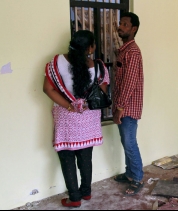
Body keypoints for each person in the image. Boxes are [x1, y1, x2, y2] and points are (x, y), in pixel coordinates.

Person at [43, 30, 110, 207]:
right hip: (89, 119)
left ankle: (74, 198)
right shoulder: (99, 66)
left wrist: (69, 105)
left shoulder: (56, 62)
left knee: (67, 157)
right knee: (85, 157)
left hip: (66, 118)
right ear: (90, 48)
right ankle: (86, 193)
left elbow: (47, 89)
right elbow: (102, 93)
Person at [112, 12, 144, 196]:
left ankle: (138, 177)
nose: (120, 27)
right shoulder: (125, 50)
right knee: (126, 142)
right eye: (120, 23)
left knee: (130, 142)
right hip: (123, 106)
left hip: (128, 108)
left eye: (125, 24)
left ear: (134, 29)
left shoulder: (132, 52)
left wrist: (119, 109)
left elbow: (129, 82)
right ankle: (130, 172)